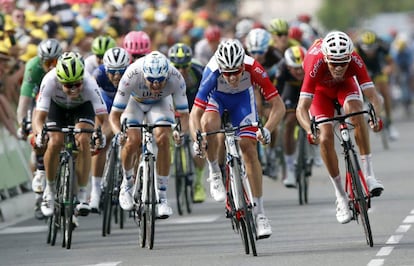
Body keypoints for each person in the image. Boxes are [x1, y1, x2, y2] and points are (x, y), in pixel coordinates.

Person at [189, 39, 286, 239]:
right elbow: (195, 114)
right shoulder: (212, 72)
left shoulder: (253, 68)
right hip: (217, 100)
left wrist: (267, 129)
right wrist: (197, 138)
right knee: (208, 125)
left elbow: (278, 106)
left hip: (242, 100)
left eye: (237, 72)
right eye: (228, 73)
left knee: (248, 147)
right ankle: (215, 171)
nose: (232, 78)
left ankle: (260, 215)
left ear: (243, 65)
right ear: (221, 68)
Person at [296, 31, 385, 224]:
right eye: (333, 63)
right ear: (326, 57)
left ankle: (369, 175)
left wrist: (376, 117)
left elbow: (373, 96)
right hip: (320, 94)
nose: (338, 68)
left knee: (357, 112)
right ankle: (341, 197)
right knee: (325, 136)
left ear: (349, 57)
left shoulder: (354, 59)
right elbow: (301, 109)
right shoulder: (314, 61)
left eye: (343, 63)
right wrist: (309, 129)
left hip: (345, 86)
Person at [109, 51, 190, 219]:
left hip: (161, 103)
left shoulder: (176, 77)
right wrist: (119, 134)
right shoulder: (131, 74)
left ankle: (162, 197)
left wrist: (180, 132)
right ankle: (127, 183)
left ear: (166, 76)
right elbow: (114, 115)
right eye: (151, 81)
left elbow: (184, 115)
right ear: (143, 75)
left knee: (163, 138)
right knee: (132, 140)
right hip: (134, 103)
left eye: (160, 81)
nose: (155, 85)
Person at [32, 51, 110, 218]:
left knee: (84, 139)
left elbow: (104, 120)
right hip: (56, 108)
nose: (74, 89)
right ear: (60, 81)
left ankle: (82, 194)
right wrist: (40, 134)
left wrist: (100, 135)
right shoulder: (50, 80)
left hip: (82, 108)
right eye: (68, 85)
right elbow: (38, 119)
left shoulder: (90, 83)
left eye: (77, 84)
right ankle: (50, 190)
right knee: (54, 141)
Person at [16, 38, 63, 219]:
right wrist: (22, 124)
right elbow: (24, 102)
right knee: (36, 141)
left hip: (58, 102)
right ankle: (39, 193)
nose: (51, 66)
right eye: (47, 62)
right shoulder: (33, 67)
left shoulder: (66, 66)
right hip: (37, 102)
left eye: (55, 62)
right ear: (40, 61)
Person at [89, 47, 131, 212]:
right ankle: (96, 190)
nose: (117, 76)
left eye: (121, 71)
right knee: (101, 142)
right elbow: (92, 102)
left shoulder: (132, 74)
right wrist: (98, 129)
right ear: (105, 69)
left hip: (127, 103)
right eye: (112, 72)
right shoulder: (97, 75)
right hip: (105, 103)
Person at [167, 42, 206, 203]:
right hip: (172, 100)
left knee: (200, 141)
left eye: (185, 67)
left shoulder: (198, 72)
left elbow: (206, 97)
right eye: (177, 67)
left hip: (194, 101)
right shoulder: (166, 73)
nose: (181, 71)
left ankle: (198, 182)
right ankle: (171, 147)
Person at [355, 30, 399, 140]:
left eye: (372, 49)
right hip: (363, 71)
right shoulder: (356, 49)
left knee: (385, 91)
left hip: (379, 69)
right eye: (367, 49)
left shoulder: (382, 46)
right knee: (360, 89)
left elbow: (391, 63)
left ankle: (390, 122)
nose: (370, 52)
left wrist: (389, 69)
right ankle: (366, 106)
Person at [276, 45, 308, 187]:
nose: (300, 71)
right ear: (288, 67)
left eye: (301, 67)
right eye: (295, 68)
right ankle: (290, 167)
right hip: (290, 89)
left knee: (317, 118)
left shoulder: (311, 65)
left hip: (308, 88)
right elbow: (276, 93)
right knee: (289, 123)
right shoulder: (282, 69)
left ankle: (314, 152)